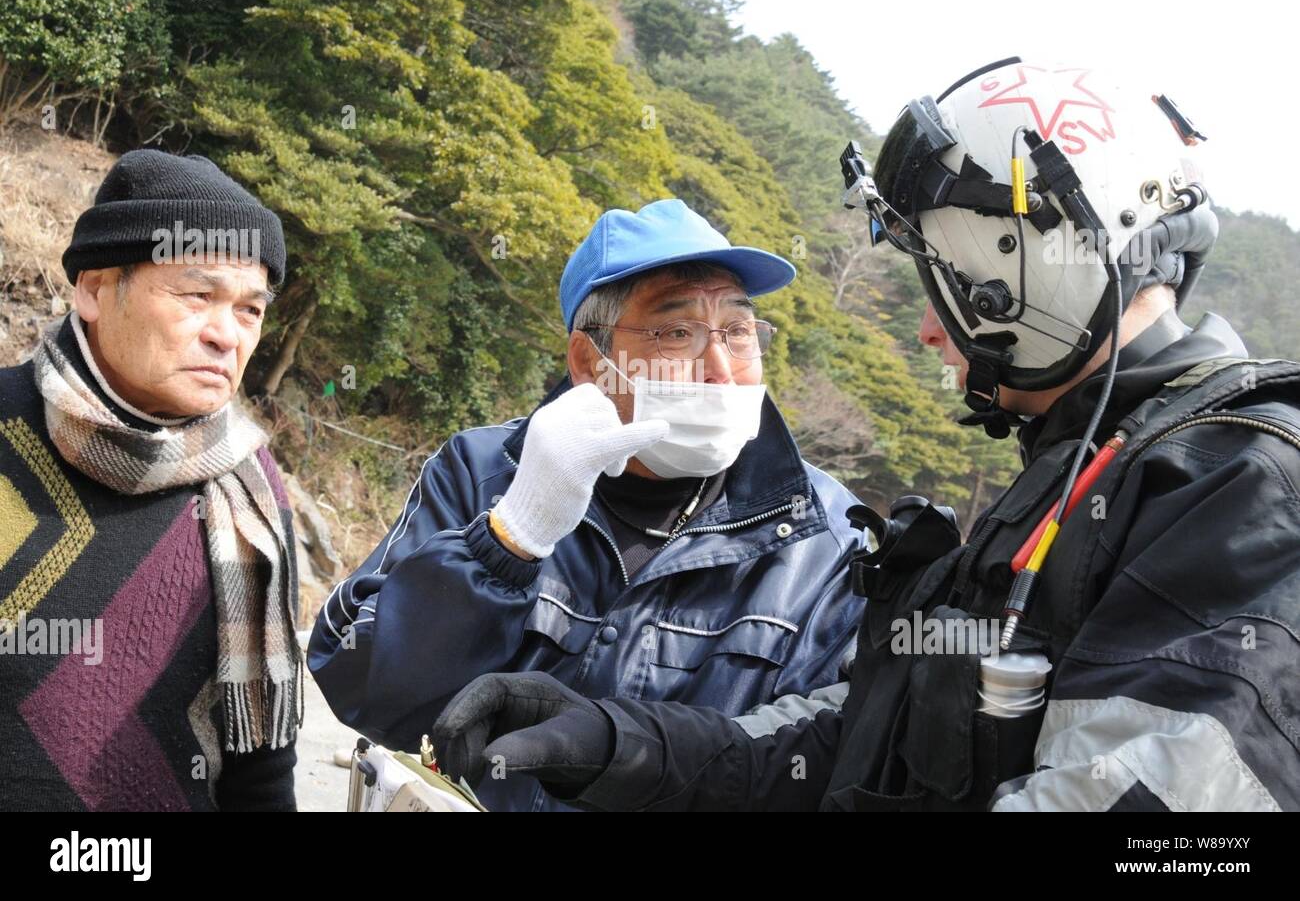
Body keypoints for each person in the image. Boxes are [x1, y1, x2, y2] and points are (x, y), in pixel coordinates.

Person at [430, 59, 1300, 812]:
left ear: (1019, 262)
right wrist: (613, 741)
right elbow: (854, 737)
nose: (928, 329)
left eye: (944, 284)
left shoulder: (1241, 483)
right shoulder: (1073, 490)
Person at [309, 198, 867, 812]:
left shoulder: (828, 534)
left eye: (737, 332)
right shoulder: (482, 470)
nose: (721, 370)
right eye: (677, 332)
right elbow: (363, 685)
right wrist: (508, 538)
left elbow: (834, 753)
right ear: (588, 362)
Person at [0, 149, 301, 811]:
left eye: (250, 310)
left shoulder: (247, 493)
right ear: (95, 287)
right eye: (198, 295)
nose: (227, 335)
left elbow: (262, 777)